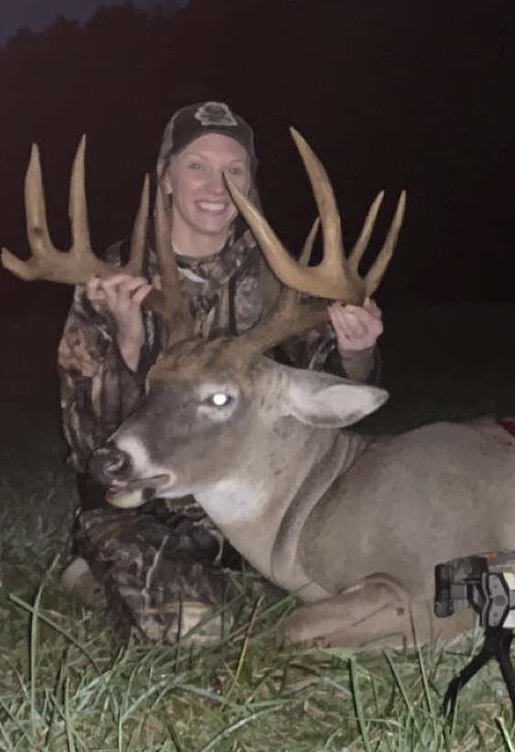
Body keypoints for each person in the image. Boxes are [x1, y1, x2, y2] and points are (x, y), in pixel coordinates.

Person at [55, 100, 385, 643]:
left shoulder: (284, 279)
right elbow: (88, 443)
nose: (217, 185)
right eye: (197, 166)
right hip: (145, 504)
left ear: (250, 185)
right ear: (165, 178)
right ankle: (95, 572)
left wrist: (356, 352)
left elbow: (315, 395)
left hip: (254, 505)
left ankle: (220, 572)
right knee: (197, 628)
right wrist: (131, 342)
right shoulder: (113, 280)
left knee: (354, 586)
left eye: (235, 171)